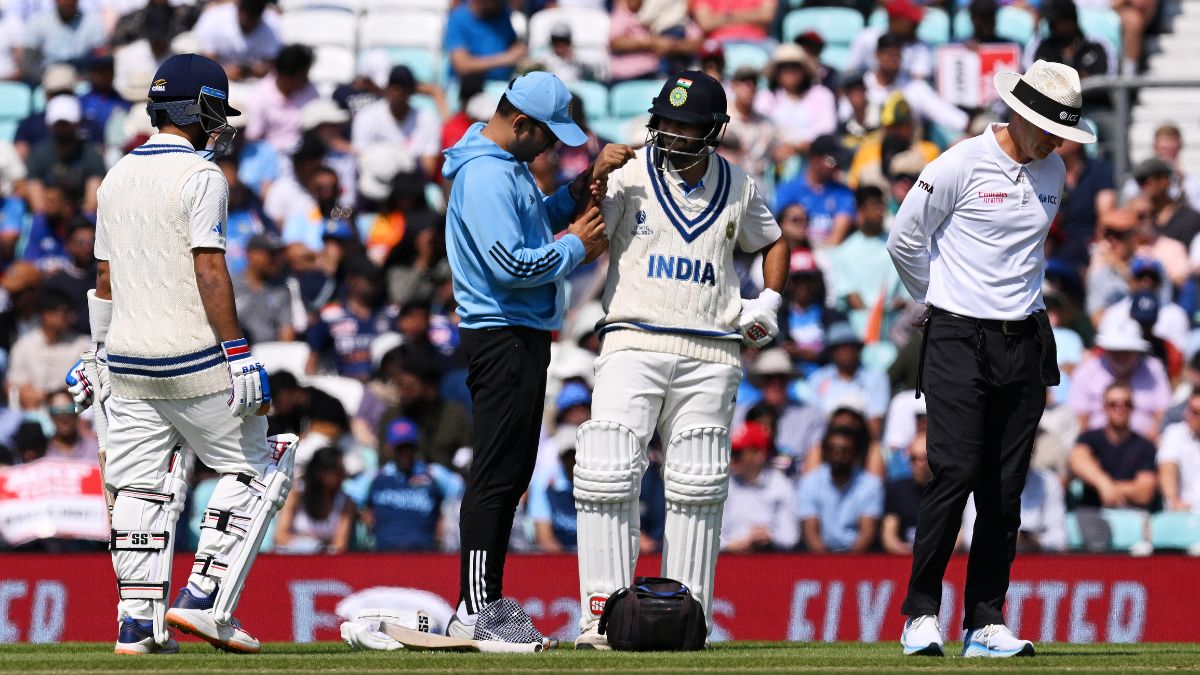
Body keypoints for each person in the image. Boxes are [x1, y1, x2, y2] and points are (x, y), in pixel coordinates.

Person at [67, 54, 294, 655]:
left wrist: (96, 354)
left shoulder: (114, 176)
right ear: (198, 110)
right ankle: (203, 597)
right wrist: (238, 351)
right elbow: (209, 267)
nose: (220, 123)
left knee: (139, 489)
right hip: (194, 360)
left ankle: (137, 625)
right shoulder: (202, 177)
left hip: (129, 363)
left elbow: (105, 277)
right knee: (261, 464)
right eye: (216, 110)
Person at [886, 60, 1094, 657]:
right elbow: (905, 240)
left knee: (1005, 489)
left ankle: (983, 622)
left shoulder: (1052, 167)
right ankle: (920, 615)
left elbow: (1020, 256)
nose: (1058, 143)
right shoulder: (958, 163)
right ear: (1020, 115)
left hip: (1024, 339)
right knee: (953, 473)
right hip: (956, 337)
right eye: (1051, 129)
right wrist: (943, 300)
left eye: (1063, 133)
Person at [575, 70, 787, 648]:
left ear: (713, 131)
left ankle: (692, 623)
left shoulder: (738, 185)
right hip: (631, 339)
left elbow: (772, 242)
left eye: (685, 125)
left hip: (711, 349)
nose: (669, 132)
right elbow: (585, 241)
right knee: (607, 469)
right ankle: (601, 618)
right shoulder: (626, 175)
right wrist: (592, 181)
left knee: (698, 482)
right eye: (664, 119)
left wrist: (766, 300)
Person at [441, 71, 619, 647]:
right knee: (497, 472)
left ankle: (483, 603)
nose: (550, 148)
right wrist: (578, 247)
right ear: (521, 123)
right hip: (504, 335)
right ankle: (475, 608)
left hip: (519, 334)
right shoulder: (487, 177)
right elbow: (511, 266)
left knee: (511, 470)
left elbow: (529, 222)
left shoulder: (501, 167)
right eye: (547, 137)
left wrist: (579, 188)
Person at [365, 418, 464, 551]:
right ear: (390, 449)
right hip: (384, 553)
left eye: (409, 447)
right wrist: (364, 513)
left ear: (416, 447)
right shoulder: (376, 476)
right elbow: (349, 495)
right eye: (400, 448)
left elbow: (461, 490)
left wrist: (444, 517)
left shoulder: (433, 473)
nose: (405, 453)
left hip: (423, 553)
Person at [1068, 319, 1170, 440]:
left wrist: (1149, 442)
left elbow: (1164, 412)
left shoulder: (1153, 369)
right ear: (1105, 349)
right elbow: (1080, 421)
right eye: (1115, 350)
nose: (1120, 356)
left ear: (1137, 351)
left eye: (1127, 351)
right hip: (1098, 446)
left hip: (1145, 446)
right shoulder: (1086, 372)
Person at [1069, 382, 1158, 511]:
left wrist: (1108, 488)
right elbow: (1077, 461)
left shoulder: (1146, 446)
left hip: (1132, 515)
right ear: (1104, 407)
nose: (1120, 408)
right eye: (1113, 404)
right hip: (1092, 513)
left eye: (1126, 404)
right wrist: (1103, 483)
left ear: (1133, 407)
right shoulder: (1089, 438)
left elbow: (1144, 492)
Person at [796, 426, 884, 553]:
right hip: (819, 558)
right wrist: (827, 566)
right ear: (825, 454)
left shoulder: (871, 485)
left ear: (855, 454)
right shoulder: (809, 483)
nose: (838, 456)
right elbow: (811, 532)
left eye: (845, 451)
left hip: (858, 558)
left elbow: (867, 533)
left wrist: (846, 566)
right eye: (833, 451)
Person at [351, 65, 442, 181]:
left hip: (412, 185)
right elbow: (361, 159)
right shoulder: (367, 116)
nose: (398, 93)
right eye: (395, 88)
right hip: (375, 182)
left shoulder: (427, 118)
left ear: (412, 91)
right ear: (387, 89)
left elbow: (429, 169)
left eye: (404, 89)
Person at [720, 421, 798, 552]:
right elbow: (709, 532)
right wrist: (729, 545)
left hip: (769, 557)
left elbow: (790, 537)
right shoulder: (723, 484)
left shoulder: (781, 486)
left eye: (738, 453)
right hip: (727, 557)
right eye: (731, 452)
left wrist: (770, 536)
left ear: (759, 455)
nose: (731, 458)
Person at [9, 288, 89, 410]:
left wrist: (47, 396)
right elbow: (17, 387)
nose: (71, 317)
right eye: (64, 313)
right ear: (46, 315)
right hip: (33, 414)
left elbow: (83, 387)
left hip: (71, 413)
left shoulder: (82, 345)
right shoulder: (24, 346)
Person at [754, 45, 836, 161]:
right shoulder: (766, 98)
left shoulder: (821, 95)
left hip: (812, 161)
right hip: (772, 160)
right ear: (776, 72)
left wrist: (797, 147)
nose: (790, 71)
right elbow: (760, 131)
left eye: (795, 66)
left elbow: (825, 134)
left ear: (804, 70)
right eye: (784, 67)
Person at [774, 135, 856, 247]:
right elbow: (781, 232)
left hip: (828, 257)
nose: (836, 166)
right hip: (794, 254)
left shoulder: (843, 193)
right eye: (832, 162)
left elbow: (836, 239)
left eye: (838, 162)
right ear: (815, 159)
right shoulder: (787, 190)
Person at [274, 446, 354, 554]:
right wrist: (311, 546)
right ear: (322, 473)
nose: (344, 476)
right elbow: (280, 536)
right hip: (291, 559)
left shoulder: (346, 502)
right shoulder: (296, 493)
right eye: (339, 471)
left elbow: (340, 545)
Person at [232, 233, 296, 344]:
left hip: (269, 352)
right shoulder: (230, 285)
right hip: (237, 351)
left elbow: (286, 331)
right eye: (271, 254)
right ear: (251, 254)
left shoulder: (281, 290)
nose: (276, 260)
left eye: (278, 255)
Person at [846, 0, 934, 80]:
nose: (916, 26)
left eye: (917, 23)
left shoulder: (923, 47)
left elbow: (919, 81)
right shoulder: (866, 38)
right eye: (912, 22)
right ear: (895, 20)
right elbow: (851, 71)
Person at [443, 0, 525, 82]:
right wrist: (506, 59)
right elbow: (462, 65)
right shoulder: (458, 19)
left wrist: (519, 50)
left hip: (503, 83)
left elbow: (513, 44)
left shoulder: (502, 12)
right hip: (469, 88)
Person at [881, 432, 930, 554]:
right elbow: (889, 537)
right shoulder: (896, 489)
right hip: (903, 557)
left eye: (925, 458)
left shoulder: (948, 490)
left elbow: (959, 535)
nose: (920, 464)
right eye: (914, 459)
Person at [1137, 157, 1200, 249]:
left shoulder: (1190, 218)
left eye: (1146, 181)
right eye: (1139, 182)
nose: (1142, 187)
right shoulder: (1139, 216)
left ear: (1164, 181)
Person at [1159, 390, 1200, 513]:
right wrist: (1173, 500)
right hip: (1183, 514)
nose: (1188, 415)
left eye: (1195, 412)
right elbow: (1167, 468)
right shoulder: (1175, 433)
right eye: (1189, 409)